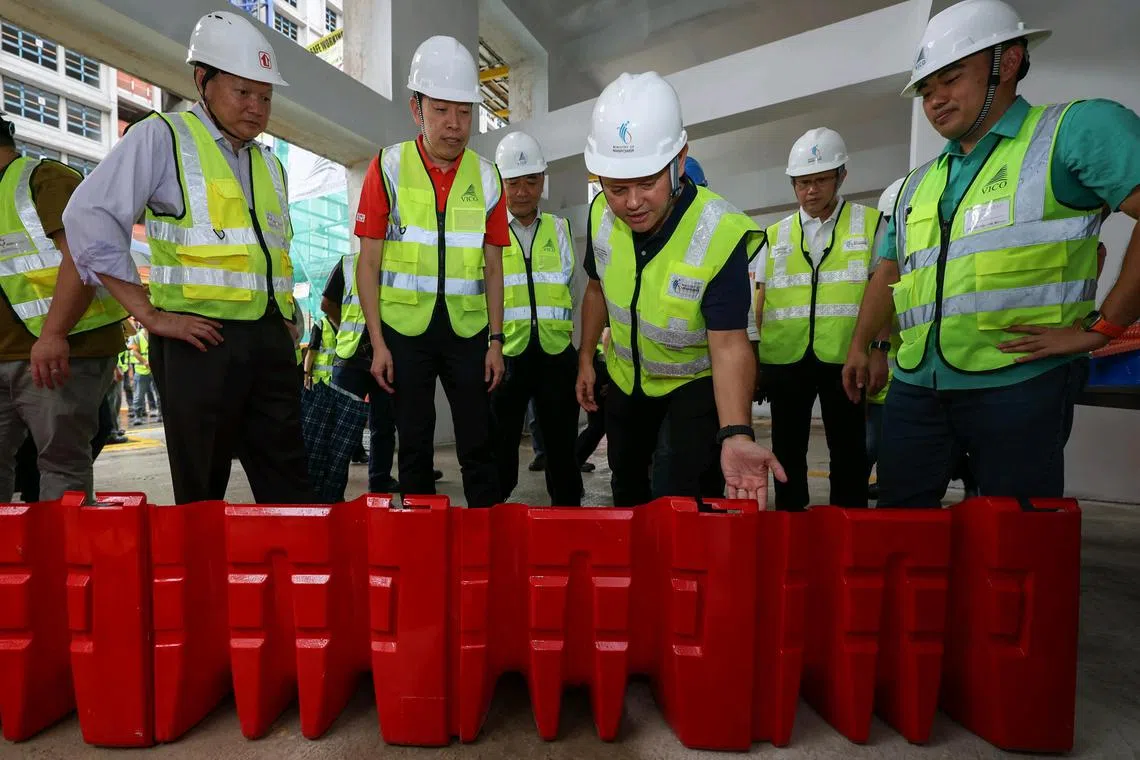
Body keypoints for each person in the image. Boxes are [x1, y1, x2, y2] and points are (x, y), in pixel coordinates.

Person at [843, 0, 1140, 507]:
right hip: (918, 383)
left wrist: (1104, 328)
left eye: (951, 78)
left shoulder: (1070, 132)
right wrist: (863, 346)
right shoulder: (916, 184)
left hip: (1019, 381)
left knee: (1012, 540)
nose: (936, 100)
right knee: (899, 529)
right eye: (926, 90)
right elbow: (890, 271)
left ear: (1008, 62)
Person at [35, 11, 316, 505]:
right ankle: (204, 581)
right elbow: (89, 215)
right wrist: (147, 313)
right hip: (199, 342)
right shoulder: (163, 137)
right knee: (202, 484)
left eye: (266, 97)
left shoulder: (268, 162)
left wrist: (284, 319)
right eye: (243, 92)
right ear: (202, 81)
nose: (256, 108)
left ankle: (292, 577)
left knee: (290, 482)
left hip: (270, 343)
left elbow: (268, 256)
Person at [576, 71, 786, 509]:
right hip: (626, 379)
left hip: (691, 385)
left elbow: (729, 344)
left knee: (678, 494)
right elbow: (596, 289)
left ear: (679, 160)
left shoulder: (720, 233)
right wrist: (585, 359)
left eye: (647, 183)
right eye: (617, 188)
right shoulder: (599, 215)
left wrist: (736, 432)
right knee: (627, 485)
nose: (632, 202)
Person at [346, 35, 507, 507]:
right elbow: (368, 263)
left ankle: (485, 545)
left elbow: (493, 267)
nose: (455, 125)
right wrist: (377, 343)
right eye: (441, 110)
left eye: (464, 111)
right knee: (412, 447)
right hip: (405, 333)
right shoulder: (387, 167)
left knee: (479, 445)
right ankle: (421, 550)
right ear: (416, 108)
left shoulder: (488, 176)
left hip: (468, 333)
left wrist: (496, 341)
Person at [0, 112, 127, 502]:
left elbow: (84, 257)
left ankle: (63, 561)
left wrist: (53, 334)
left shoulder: (43, 180)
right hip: (9, 353)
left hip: (60, 352)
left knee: (60, 465)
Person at [755, 128, 883, 511]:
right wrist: (757, 361)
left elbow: (884, 293)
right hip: (785, 359)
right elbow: (760, 300)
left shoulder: (871, 224)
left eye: (820, 180)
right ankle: (792, 525)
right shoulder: (774, 234)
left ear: (841, 176)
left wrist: (878, 349)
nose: (810, 191)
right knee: (786, 451)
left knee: (848, 451)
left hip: (845, 357)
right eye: (802, 183)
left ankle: (848, 529)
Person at [490, 130, 582, 506]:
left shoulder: (559, 229)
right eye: (514, 182)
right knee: (500, 449)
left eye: (532, 181)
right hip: (506, 356)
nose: (523, 191)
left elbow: (570, 287)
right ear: (501, 184)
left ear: (542, 181)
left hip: (556, 354)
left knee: (562, 448)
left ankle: (568, 516)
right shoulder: (487, 233)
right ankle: (494, 518)